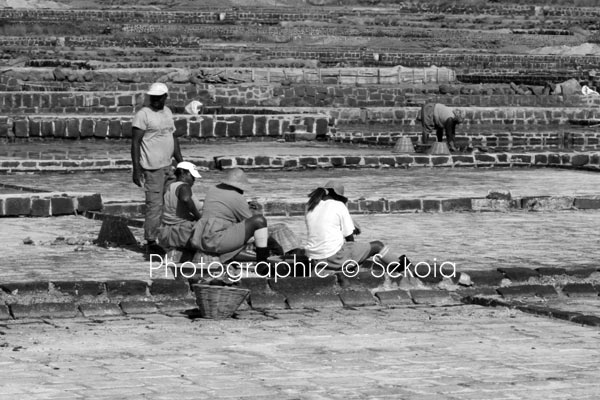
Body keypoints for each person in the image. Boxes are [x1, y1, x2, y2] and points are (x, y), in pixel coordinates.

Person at [304, 180, 410, 274]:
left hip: (314, 259)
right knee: (377, 246)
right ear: (338, 196)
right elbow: (350, 238)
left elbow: (325, 227)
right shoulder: (339, 206)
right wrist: (355, 260)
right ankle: (400, 268)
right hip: (333, 258)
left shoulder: (310, 206)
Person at [131, 82, 183, 255]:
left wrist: (181, 163)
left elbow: (173, 137)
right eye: (153, 97)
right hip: (152, 168)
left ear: (165, 97)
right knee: (155, 205)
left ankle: (170, 237)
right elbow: (136, 142)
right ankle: (151, 240)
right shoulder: (143, 115)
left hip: (168, 166)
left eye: (158, 97)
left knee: (171, 203)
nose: (155, 100)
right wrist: (136, 169)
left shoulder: (167, 112)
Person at [191, 168, 271, 266]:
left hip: (202, 236)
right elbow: (251, 221)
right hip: (216, 238)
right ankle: (262, 264)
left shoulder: (213, 189)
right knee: (259, 221)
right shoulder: (237, 197)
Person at [157, 161, 202, 251]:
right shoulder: (184, 186)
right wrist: (198, 217)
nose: (194, 180)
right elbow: (185, 199)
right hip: (182, 231)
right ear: (183, 174)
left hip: (167, 231)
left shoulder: (170, 186)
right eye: (192, 176)